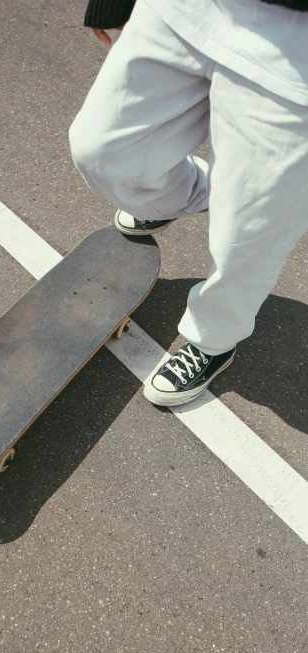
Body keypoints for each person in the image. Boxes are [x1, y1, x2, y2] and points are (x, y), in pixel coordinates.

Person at [69, 0, 308, 406]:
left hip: (295, 48)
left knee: (249, 233)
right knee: (103, 153)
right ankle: (195, 193)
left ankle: (213, 339)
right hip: (188, 7)